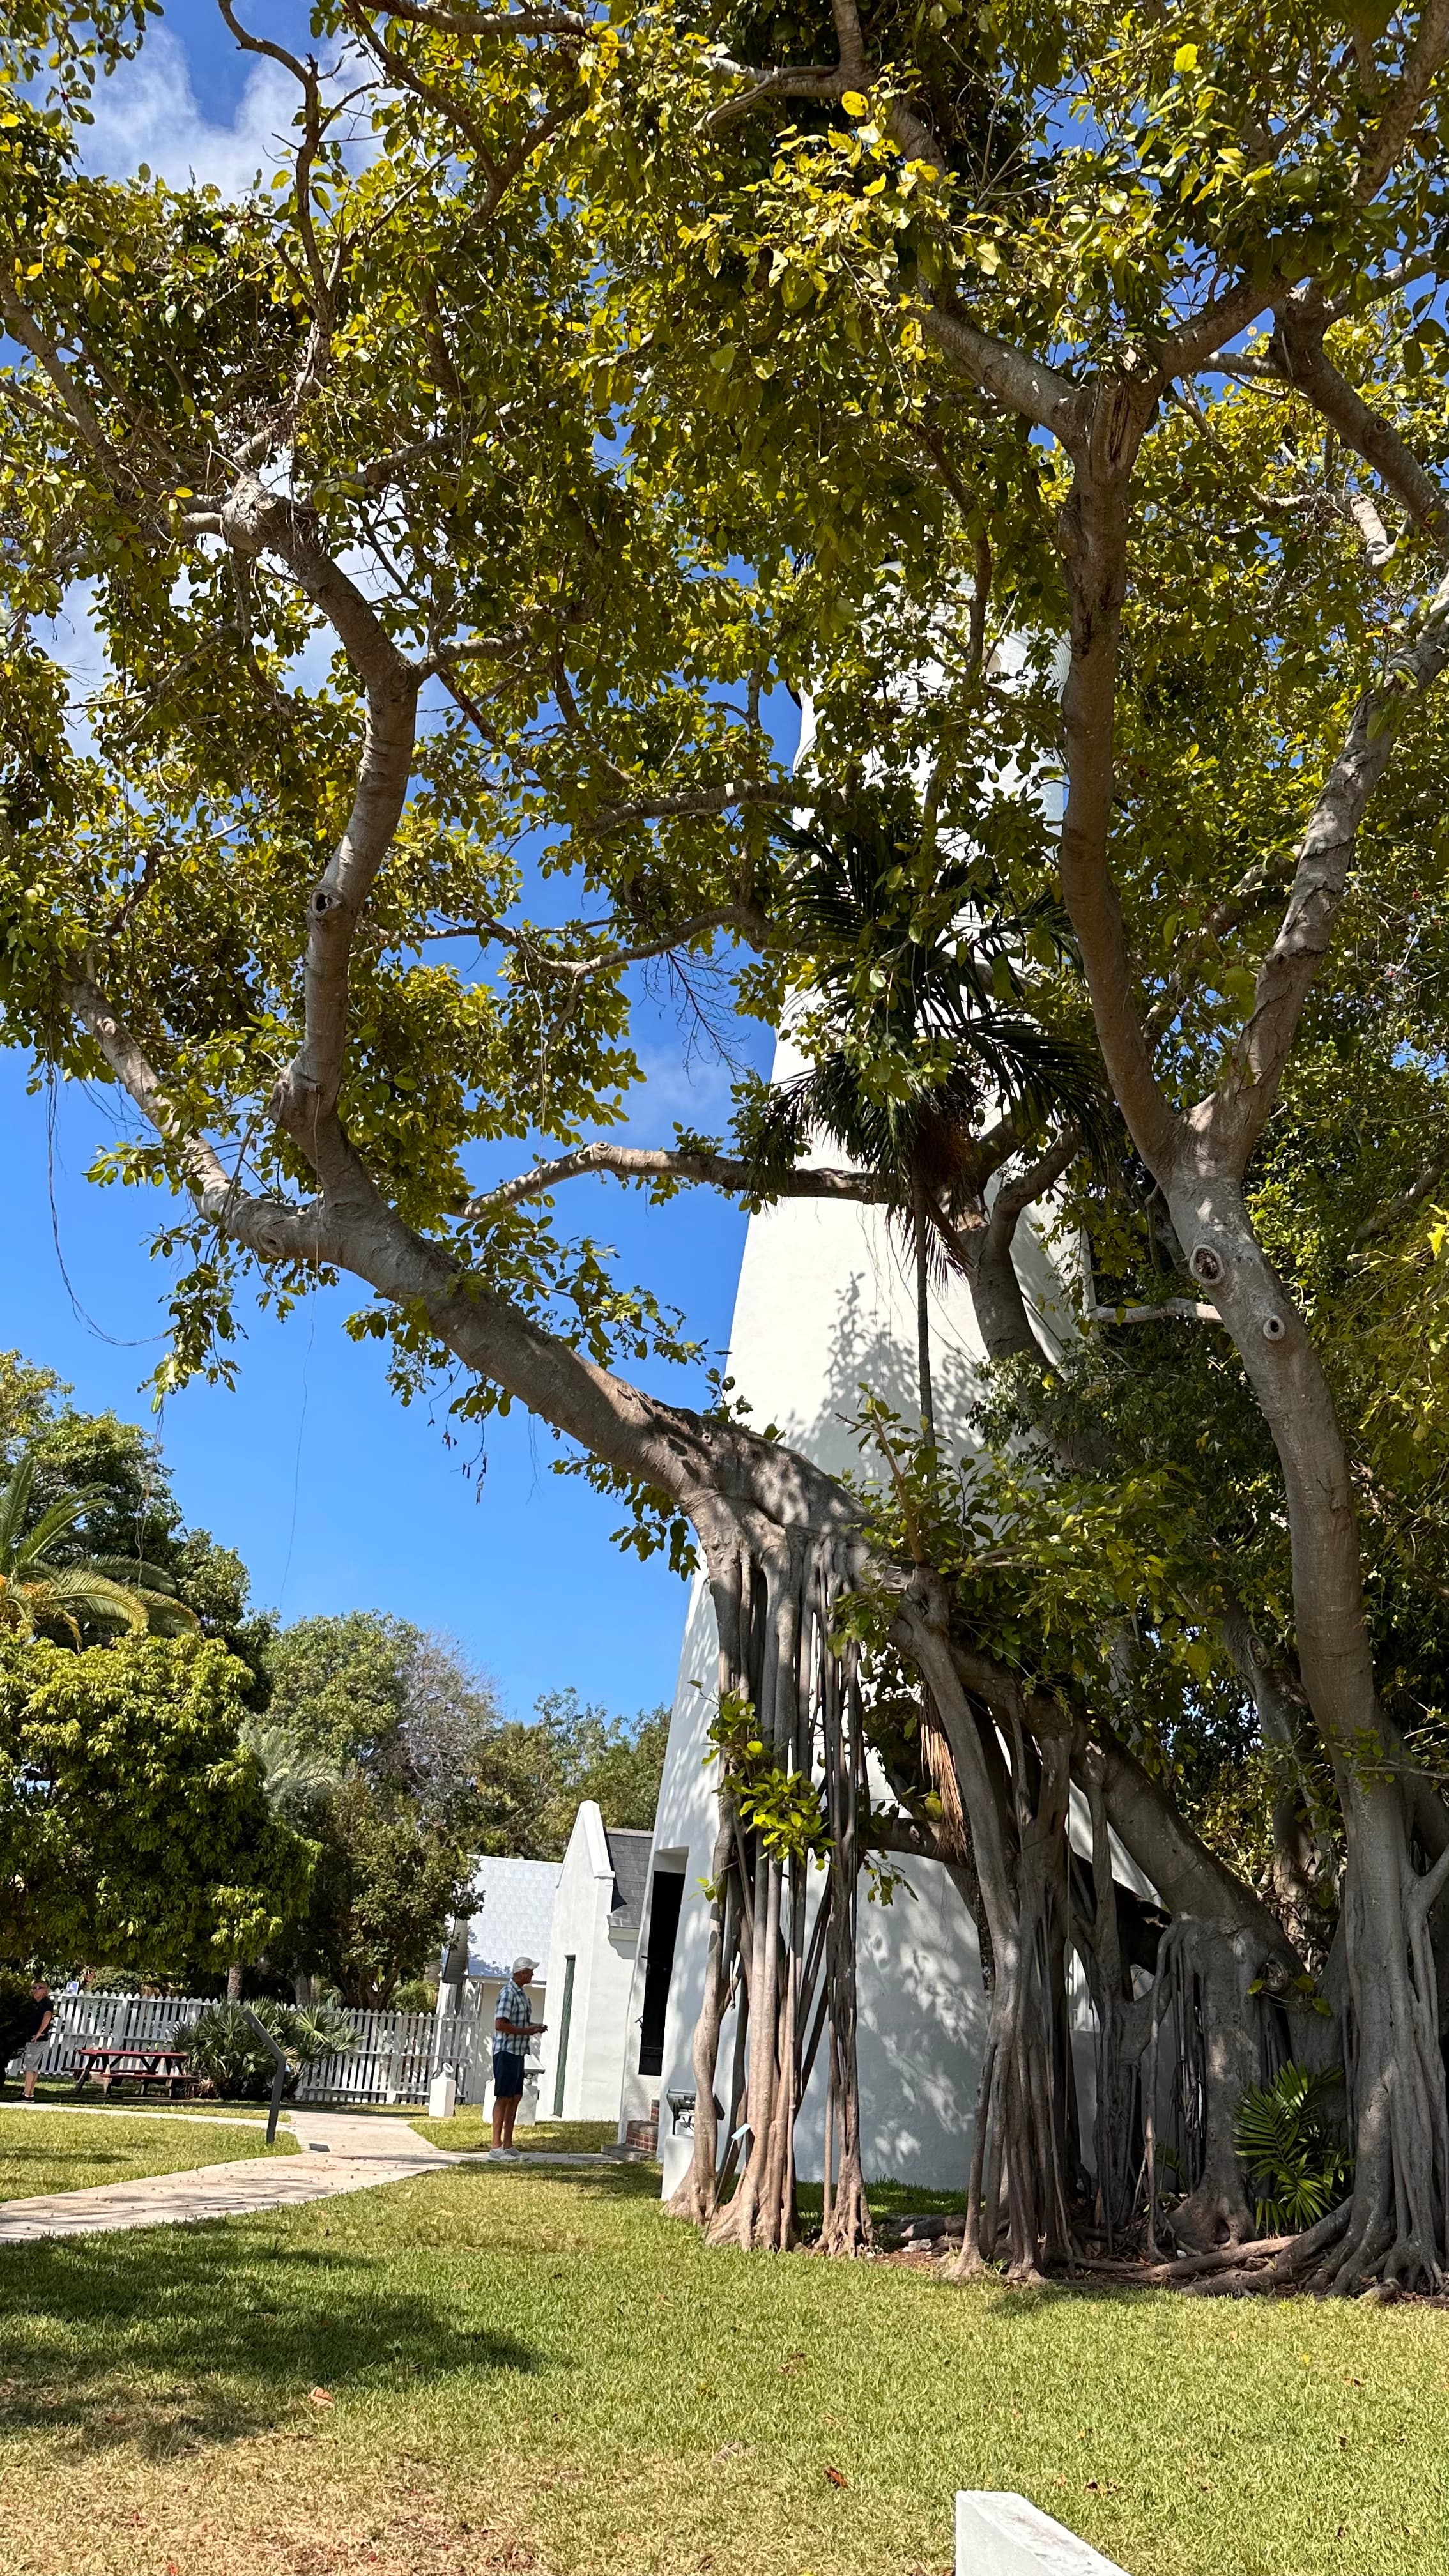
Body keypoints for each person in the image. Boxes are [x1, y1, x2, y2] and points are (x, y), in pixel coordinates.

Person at [489, 1956, 545, 2160]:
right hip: (505, 2051)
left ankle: (508, 2144)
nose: (533, 1974)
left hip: (519, 2051)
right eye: (530, 1971)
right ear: (522, 1973)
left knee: (515, 2096)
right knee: (503, 2096)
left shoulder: (522, 1994)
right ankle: (496, 2147)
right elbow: (501, 2024)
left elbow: (519, 2022)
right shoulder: (508, 1993)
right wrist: (525, 2031)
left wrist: (534, 2027)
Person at [15, 1982, 52, 2103]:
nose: (35, 1991)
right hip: (35, 2038)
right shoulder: (39, 2004)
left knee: (29, 2067)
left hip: (36, 2039)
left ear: (45, 1991)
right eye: (33, 1988)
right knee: (33, 2067)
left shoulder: (45, 2003)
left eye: (38, 1988)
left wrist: (39, 2033)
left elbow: (48, 2016)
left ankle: (26, 2094)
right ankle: (30, 2094)